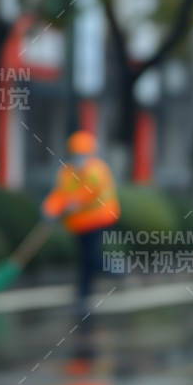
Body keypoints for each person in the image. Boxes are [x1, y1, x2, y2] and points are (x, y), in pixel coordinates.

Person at [41, 131, 119, 314]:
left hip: (99, 219)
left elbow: (92, 190)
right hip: (79, 224)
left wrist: (74, 202)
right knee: (85, 258)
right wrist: (49, 208)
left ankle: (101, 279)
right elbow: (59, 194)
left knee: (89, 257)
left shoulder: (96, 169)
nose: (79, 157)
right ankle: (88, 290)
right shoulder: (67, 172)